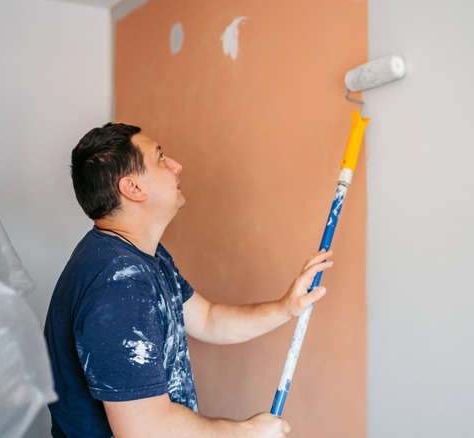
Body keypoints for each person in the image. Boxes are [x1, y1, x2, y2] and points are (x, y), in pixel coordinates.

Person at [44, 122, 333, 437]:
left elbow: (208, 320)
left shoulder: (143, 257)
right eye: (161, 158)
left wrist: (285, 307)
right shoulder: (119, 285)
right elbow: (146, 430)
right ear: (133, 188)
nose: (176, 166)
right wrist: (247, 431)